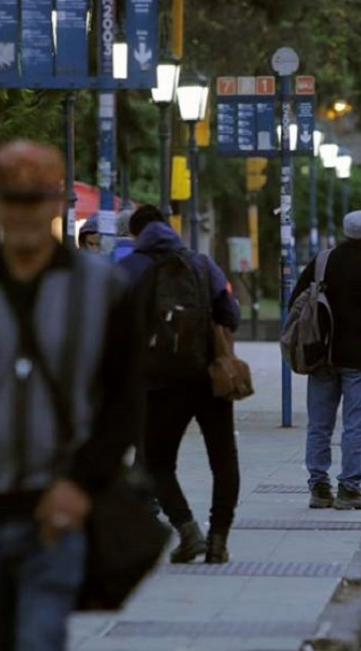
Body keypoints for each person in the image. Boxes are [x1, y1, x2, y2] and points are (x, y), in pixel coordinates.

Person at [0, 140, 144, 651]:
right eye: (12, 199)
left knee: (40, 639)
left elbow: (124, 400)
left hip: (55, 514)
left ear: (57, 203)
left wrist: (82, 485)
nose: (24, 213)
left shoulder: (102, 290)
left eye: (35, 199)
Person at [118, 204, 242, 564]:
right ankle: (219, 539)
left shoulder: (129, 269)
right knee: (223, 460)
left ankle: (188, 531)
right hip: (210, 378)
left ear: (135, 234)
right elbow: (229, 314)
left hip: (158, 383)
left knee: (156, 461)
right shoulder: (203, 264)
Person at [290, 210, 361, 510]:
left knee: (319, 424)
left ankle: (319, 488)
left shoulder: (322, 262)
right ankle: (349, 488)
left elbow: (295, 302)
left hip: (321, 355)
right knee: (355, 425)